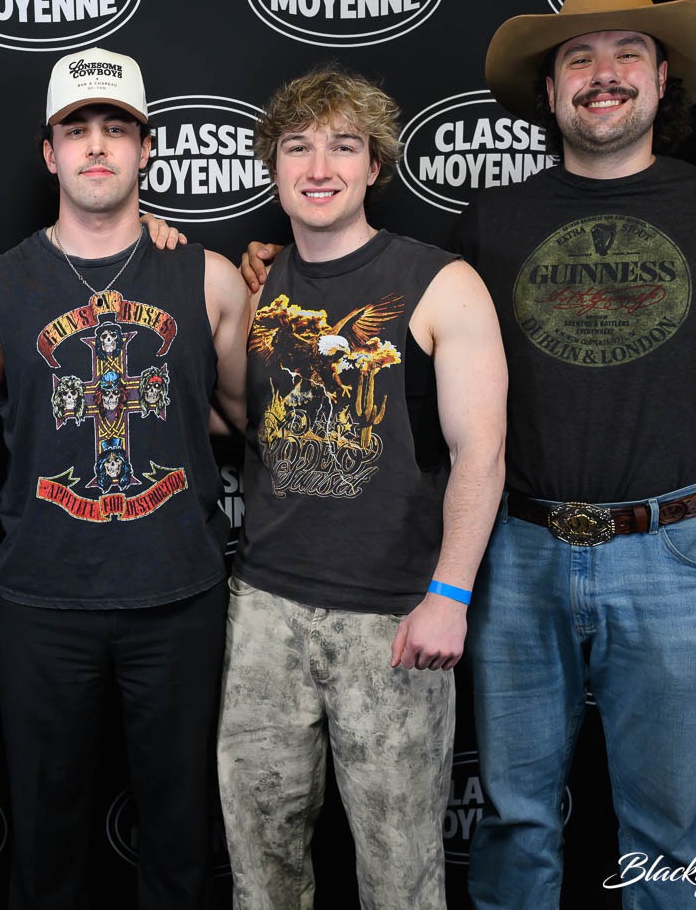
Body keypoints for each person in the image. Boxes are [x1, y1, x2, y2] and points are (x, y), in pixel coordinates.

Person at [241, 0, 696, 907]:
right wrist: (271, 264)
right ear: (550, 92)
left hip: (678, 550)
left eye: (628, 53)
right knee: (514, 818)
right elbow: (376, 295)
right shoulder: (493, 222)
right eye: (578, 59)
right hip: (520, 553)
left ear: (663, 77)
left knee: (669, 828)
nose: (603, 74)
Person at [0, 47, 251, 909]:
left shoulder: (210, 278)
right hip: (44, 601)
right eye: (75, 130)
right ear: (48, 153)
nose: (95, 146)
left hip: (178, 596)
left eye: (115, 128)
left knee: (181, 836)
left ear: (146, 148)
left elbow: (240, 418)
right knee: (45, 845)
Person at [216, 68, 506, 910]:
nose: (318, 167)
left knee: (400, 872)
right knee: (260, 866)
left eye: (343, 146)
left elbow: (480, 450)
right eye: (297, 147)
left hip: (391, 617)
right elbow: (240, 419)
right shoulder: (257, 287)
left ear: (375, 165)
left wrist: (449, 593)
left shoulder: (440, 281)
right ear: (274, 165)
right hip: (264, 613)